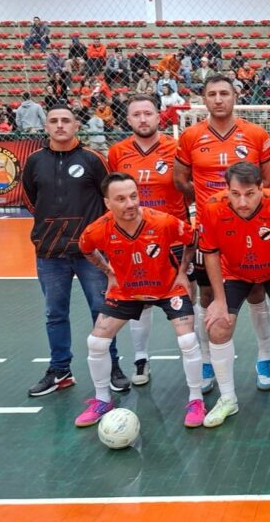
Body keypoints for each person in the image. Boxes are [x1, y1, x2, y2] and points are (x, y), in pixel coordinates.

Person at [174, 74, 270, 393]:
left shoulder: (255, 133)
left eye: (224, 93)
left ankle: (264, 358)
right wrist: (210, 205)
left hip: (251, 230)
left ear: (235, 97)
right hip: (211, 233)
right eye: (212, 94)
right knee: (207, 296)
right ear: (203, 99)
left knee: (256, 292)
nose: (219, 99)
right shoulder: (191, 136)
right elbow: (180, 179)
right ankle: (207, 360)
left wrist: (248, 210)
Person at [74, 173, 204, 428]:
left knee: (188, 339)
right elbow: (86, 249)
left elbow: (192, 240)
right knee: (96, 342)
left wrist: (182, 272)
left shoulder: (163, 221)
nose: (130, 203)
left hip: (168, 288)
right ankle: (102, 399)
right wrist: (108, 272)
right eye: (120, 199)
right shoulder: (98, 229)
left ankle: (196, 399)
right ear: (108, 203)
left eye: (133, 196)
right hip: (126, 290)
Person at [22, 105, 129, 397]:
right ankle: (60, 370)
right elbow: (32, 200)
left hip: (90, 252)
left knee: (103, 310)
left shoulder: (93, 159)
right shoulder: (34, 161)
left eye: (65, 121)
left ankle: (112, 366)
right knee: (55, 313)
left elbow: (109, 199)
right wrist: (52, 225)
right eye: (54, 121)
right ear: (46, 127)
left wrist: (94, 234)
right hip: (49, 251)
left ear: (76, 125)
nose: (59, 126)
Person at [199, 162, 270, 427]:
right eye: (235, 194)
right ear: (227, 190)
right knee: (218, 327)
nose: (242, 201)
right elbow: (210, 254)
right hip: (235, 272)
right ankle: (228, 399)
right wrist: (219, 301)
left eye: (249, 193)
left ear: (262, 188)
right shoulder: (212, 207)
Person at [108, 95, 191, 386]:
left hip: (173, 238)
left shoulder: (177, 148)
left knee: (184, 296)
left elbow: (189, 187)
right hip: (134, 239)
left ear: (159, 117)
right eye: (136, 114)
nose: (143, 119)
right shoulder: (118, 152)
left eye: (148, 113)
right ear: (128, 119)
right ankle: (141, 359)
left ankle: (198, 359)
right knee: (140, 301)